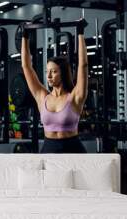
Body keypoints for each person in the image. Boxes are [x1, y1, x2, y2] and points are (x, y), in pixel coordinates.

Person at [21, 19, 88, 153]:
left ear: (62, 73)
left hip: (72, 149)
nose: (49, 76)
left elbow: (83, 65)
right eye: (47, 71)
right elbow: (26, 66)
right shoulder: (42, 97)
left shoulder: (75, 97)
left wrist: (80, 32)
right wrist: (25, 35)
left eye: (53, 71)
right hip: (49, 148)